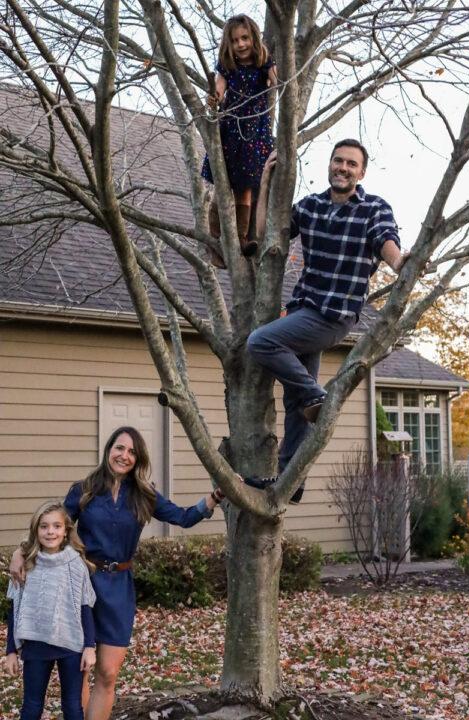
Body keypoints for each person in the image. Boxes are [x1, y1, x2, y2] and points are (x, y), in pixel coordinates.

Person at [10, 426, 223, 720]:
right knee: (80, 671)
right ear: (109, 449)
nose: (124, 455)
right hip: (82, 584)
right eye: (119, 448)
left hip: (119, 588)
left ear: (138, 458)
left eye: (132, 451)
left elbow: (183, 517)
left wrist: (215, 496)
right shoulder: (83, 489)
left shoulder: (145, 494)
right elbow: (53, 525)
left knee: (108, 673)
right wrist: (20, 551)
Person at [247, 139, 408, 504]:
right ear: (330, 165)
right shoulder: (312, 206)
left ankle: (318, 396)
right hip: (303, 309)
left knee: (261, 342)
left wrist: (400, 264)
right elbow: (267, 233)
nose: (343, 168)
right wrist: (265, 181)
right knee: (295, 403)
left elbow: (387, 240)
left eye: (352, 164)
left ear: (361, 172)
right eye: (338, 161)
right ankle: (291, 480)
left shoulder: (372, 208)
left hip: (334, 316)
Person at [5, 500, 96, 720]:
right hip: (35, 644)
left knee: (73, 707)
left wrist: (89, 646)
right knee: (32, 707)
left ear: (66, 531)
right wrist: (10, 652)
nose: (50, 532)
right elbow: (14, 608)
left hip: (71, 644)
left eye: (56, 526)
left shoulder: (75, 565)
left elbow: (85, 606)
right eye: (44, 526)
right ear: (35, 531)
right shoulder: (25, 564)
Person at [201, 14, 276, 267]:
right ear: (228, 44)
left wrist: (279, 81)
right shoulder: (228, 67)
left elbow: (278, 81)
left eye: (245, 38)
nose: (241, 44)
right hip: (232, 131)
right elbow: (219, 89)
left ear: (253, 38)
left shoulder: (264, 63)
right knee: (222, 189)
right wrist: (215, 97)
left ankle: (242, 238)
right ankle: (214, 241)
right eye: (235, 41)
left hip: (255, 134)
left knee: (244, 189)